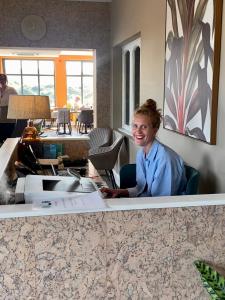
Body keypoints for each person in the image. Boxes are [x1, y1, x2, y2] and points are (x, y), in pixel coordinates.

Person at [101, 99, 187, 198]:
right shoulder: (141, 154)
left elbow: (162, 202)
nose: (138, 131)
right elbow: (141, 189)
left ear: (155, 130)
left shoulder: (165, 159)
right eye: (135, 126)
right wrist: (119, 192)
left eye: (144, 127)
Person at [0, 73, 18, 143]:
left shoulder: (11, 90)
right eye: (0, 79)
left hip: (9, 116)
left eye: (3, 79)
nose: (1, 80)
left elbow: (17, 101)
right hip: (0, 116)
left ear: (6, 80)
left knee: (7, 138)